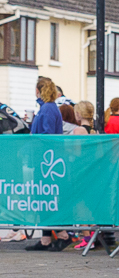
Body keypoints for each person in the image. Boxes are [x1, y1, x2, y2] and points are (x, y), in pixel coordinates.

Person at [26, 77, 70, 251]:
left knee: (46, 199)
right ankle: (46, 238)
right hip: (46, 161)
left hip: (46, 163)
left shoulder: (47, 109)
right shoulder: (48, 108)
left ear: (38, 90)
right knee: (44, 198)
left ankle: (63, 235)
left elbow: (47, 136)